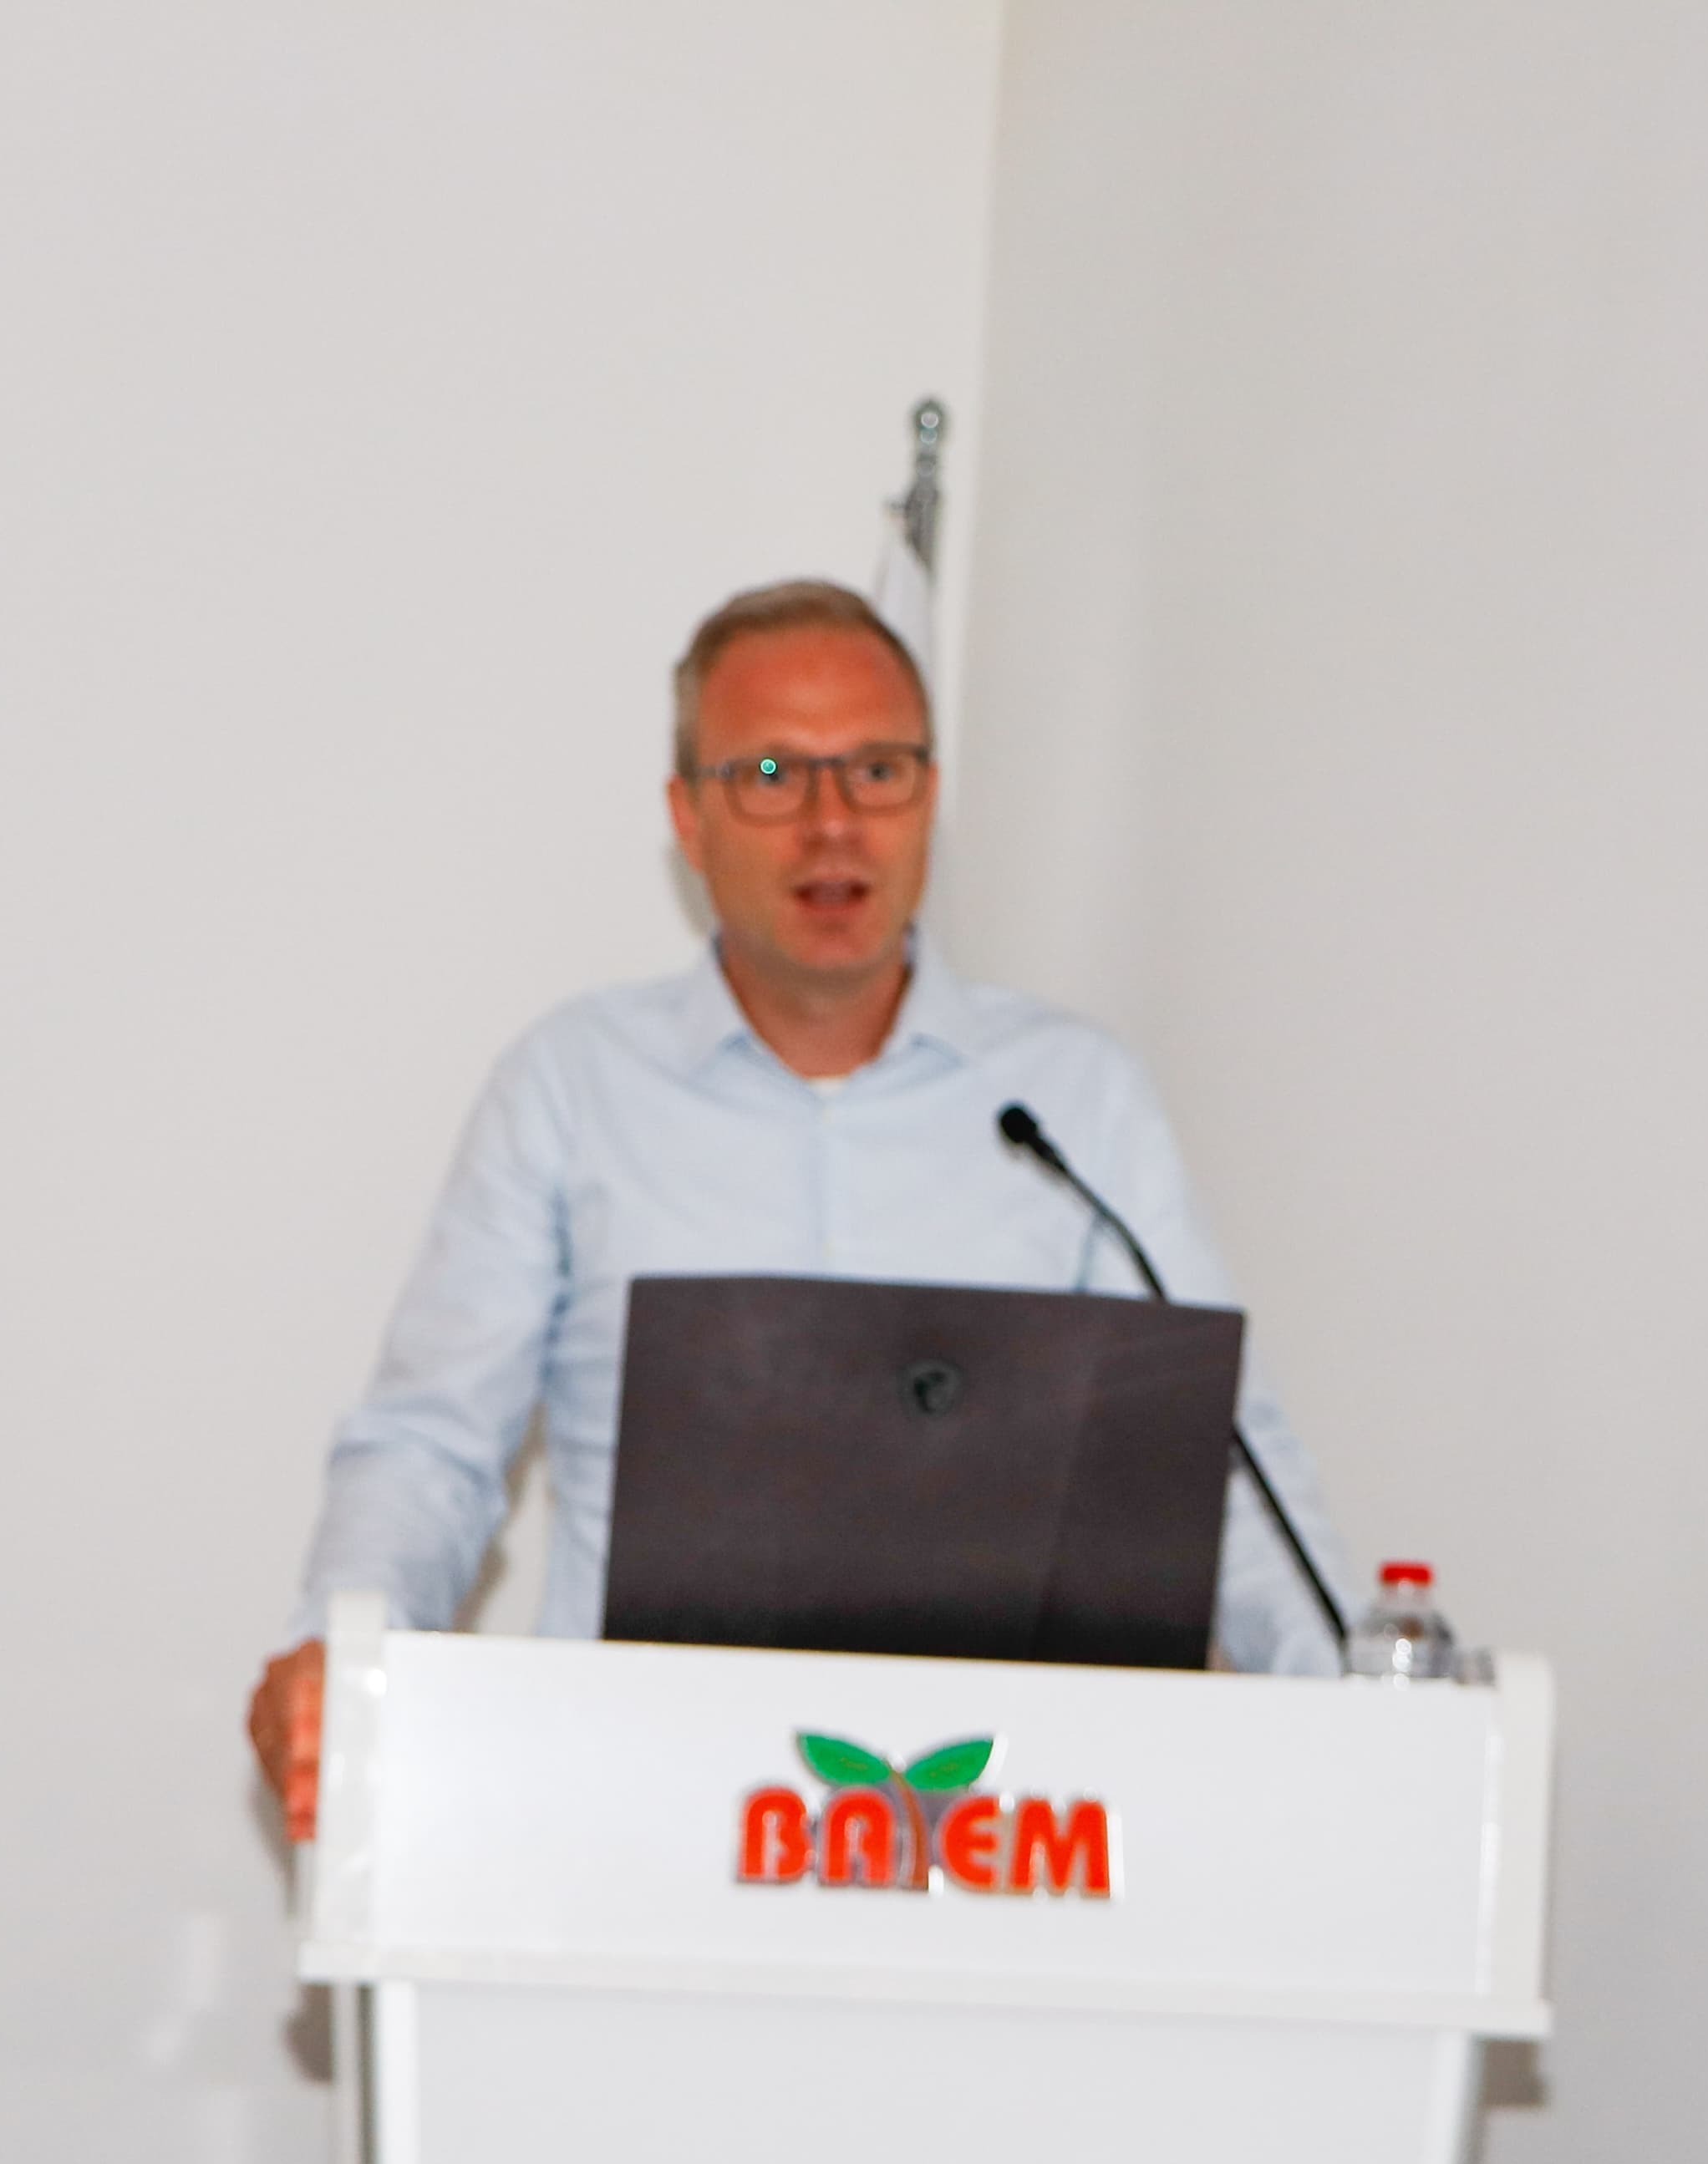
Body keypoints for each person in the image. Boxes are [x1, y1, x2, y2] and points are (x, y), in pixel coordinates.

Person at [243, 579, 1341, 1834]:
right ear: (689, 817)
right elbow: (432, 1445)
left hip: (1002, 1831)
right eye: (771, 774)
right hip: (638, 1811)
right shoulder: (575, 1086)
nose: (833, 823)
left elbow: (1219, 1466)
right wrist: (342, 1657)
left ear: (929, 796)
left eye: (877, 771)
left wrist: (1369, 1709)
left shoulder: (1073, 1099)